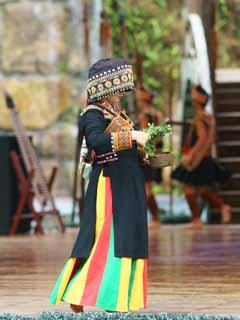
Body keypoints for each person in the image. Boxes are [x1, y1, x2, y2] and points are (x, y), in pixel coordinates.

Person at [49, 58, 150, 313]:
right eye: (117, 86)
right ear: (106, 85)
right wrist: (132, 136)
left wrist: (140, 151)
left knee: (128, 237)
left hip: (127, 181)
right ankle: (83, 292)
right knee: (110, 238)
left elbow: (119, 145)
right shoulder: (93, 113)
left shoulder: (116, 113)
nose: (121, 91)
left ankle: (115, 297)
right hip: (109, 184)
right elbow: (96, 141)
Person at [172, 84, 231, 229]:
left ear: (196, 101)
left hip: (199, 158)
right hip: (205, 157)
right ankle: (222, 207)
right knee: (202, 190)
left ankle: (197, 219)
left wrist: (190, 156)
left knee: (188, 190)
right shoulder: (208, 117)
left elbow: (203, 138)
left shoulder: (200, 118)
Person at [136, 88, 163, 226]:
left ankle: (155, 218)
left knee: (146, 188)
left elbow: (145, 137)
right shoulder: (157, 114)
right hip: (157, 152)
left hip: (147, 153)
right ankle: (155, 217)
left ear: (143, 100)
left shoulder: (144, 116)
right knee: (147, 187)